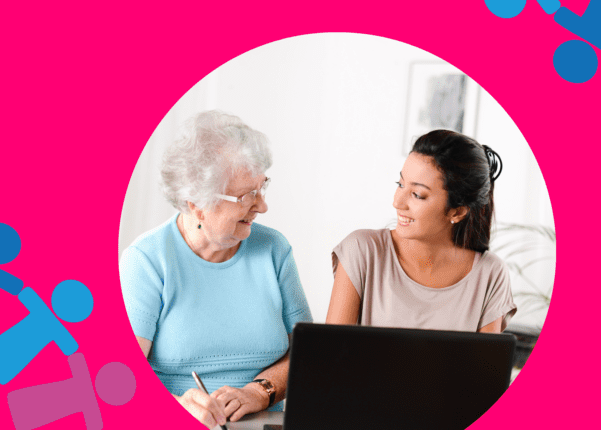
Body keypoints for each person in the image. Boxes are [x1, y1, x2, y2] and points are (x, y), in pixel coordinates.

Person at [120, 111, 308, 427]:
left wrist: (260, 392)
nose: (262, 206)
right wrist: (176, 406)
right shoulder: (148, 260)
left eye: (262, 187)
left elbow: (307, 353)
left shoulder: (275, 249)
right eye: (247, 194)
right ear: (196, 201)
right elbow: (120, 381)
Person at [326, 130, 515, 334]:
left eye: (417, 194)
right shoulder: (362, 251)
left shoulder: (491, 274)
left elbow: (485, 365)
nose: (397, 202)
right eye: (400, 184)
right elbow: (330, 355)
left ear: (457, 211)